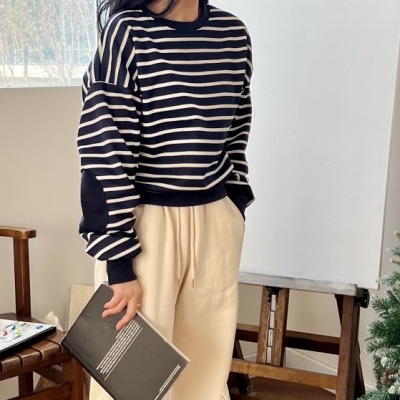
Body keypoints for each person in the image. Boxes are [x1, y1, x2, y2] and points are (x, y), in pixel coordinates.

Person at [77, 0, 254, 399]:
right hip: (145, 225)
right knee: (130, 384)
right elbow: (105, 148)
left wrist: (234, 205)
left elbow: (236, 131)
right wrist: (118, 263)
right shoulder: (127, 32)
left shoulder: (232, 34)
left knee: (204, 381)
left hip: (214, 222)